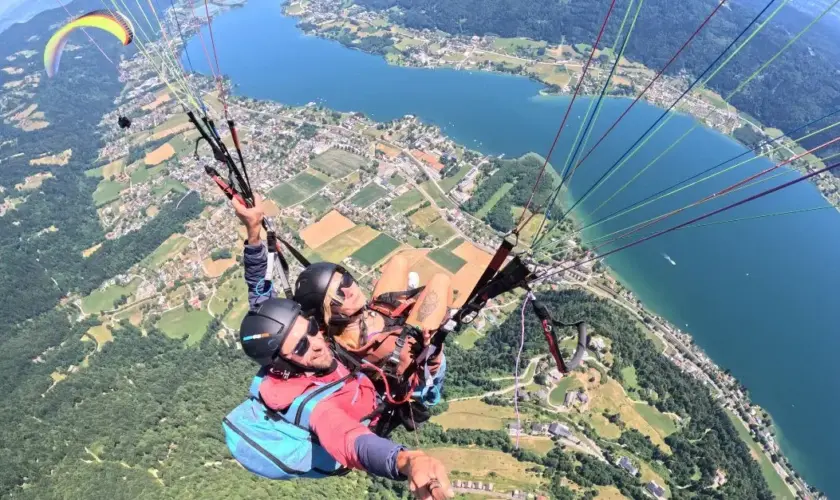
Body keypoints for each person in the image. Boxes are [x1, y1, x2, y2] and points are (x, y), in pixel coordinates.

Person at [235, 198, 454, 500]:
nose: (315, 342)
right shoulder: (313, 405)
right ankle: (432, 361)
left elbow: (261, 300)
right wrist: (407, 461)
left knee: (403, 263)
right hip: (383, 395)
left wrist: (254, 230)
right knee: (440, 286)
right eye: (301, 345)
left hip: (362, 373)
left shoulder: (303, 338)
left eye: (310, 329)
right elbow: (353, 442)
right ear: (283, 365)